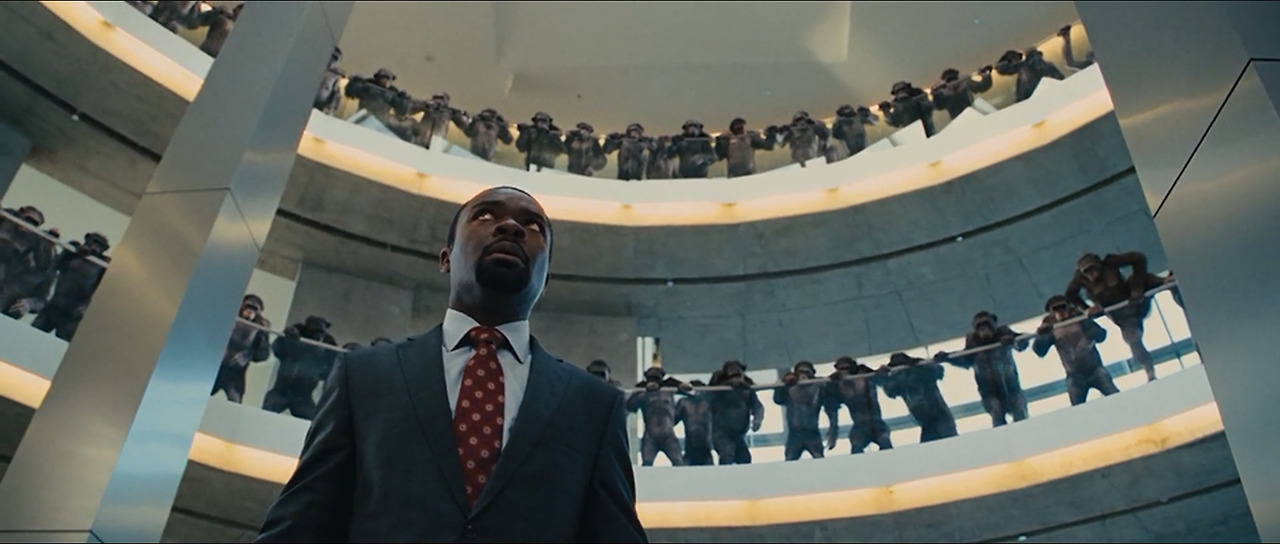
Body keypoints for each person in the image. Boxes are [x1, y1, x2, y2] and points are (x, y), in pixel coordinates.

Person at [256, 186, 647, 543]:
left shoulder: (594, 406)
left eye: (533, 226)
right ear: (445, 258)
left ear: (546, 279)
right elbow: (300, 524)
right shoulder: (362, 377)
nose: (511, 227)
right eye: (485, 215)